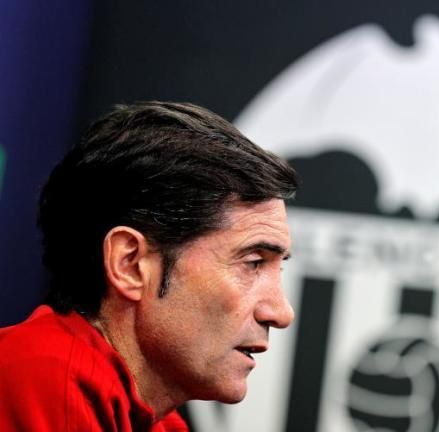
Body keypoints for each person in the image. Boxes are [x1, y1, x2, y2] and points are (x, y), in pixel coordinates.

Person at [0, 102, 298, 431]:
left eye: (278, 268)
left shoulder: (160, 423)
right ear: (130, 264)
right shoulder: (42, 383)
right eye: (253, 263)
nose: (281, 313)